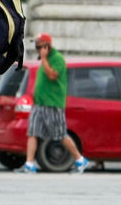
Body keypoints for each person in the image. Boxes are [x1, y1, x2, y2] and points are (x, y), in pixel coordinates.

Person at [22, 33, 89, 174]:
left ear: (47, 46)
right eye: (37, 46)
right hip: (39, 103)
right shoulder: (44, 59)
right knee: (33, 132)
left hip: (52, 104)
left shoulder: (57, 59)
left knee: (60, 134)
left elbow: (52, 75)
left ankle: (80, 160)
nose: (38, 49)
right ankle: (29, 164)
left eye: (40, 46)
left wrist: (45, 59)